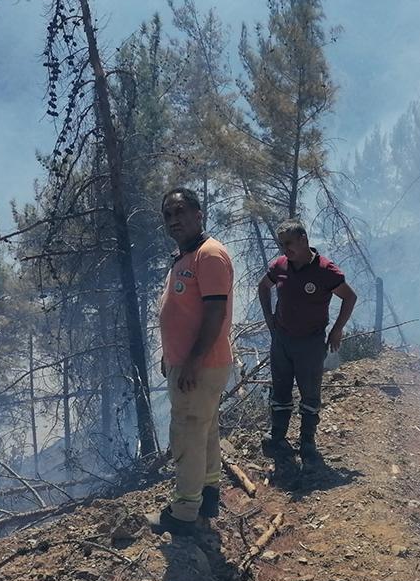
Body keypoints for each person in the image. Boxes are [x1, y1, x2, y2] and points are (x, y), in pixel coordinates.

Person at [147, 187, 234, 534]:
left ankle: (184, 512)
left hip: (201, 365)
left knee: (186, 435)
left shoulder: (209, 255)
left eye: (180, 211)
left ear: (199, 214)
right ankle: (208, 494)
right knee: (205, 430)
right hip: (188, 363)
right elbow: (182, 313)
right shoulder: (185, 256)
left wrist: (193, 362)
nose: (174, 220)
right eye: (168, 215)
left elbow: (215, 314)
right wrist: (170, 357)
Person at [257, 219, 357, 464]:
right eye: (282, 245)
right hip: (282, 340)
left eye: (289, 243)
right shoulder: (280, 265)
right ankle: (278, 436)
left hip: (310, 343)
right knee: (280, 390)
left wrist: (337, 330)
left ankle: (307, 441)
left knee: (310, 393)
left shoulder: (326, 270)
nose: (285, 250)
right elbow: (263, 287)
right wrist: (269, 318)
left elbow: (350, 297)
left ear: (304, 240)